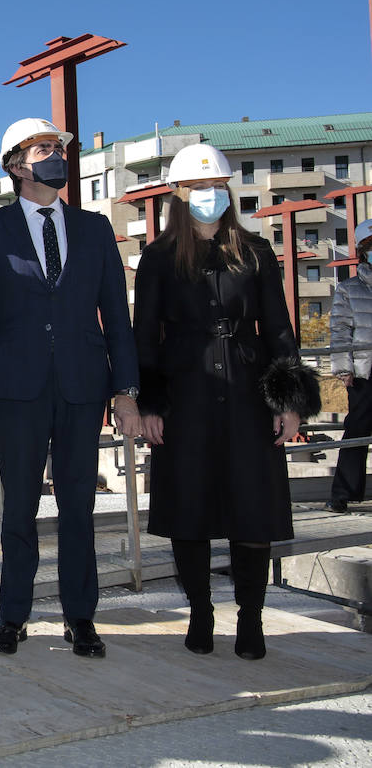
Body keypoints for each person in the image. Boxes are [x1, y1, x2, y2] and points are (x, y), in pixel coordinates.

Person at [0, 118, 141, 659]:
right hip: (15, 387)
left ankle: (80, 617)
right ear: (16, 165)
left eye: (59, 148)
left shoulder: (93, 228)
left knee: (78, 506)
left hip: (84, 384)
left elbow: (116, 313)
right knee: (18, 507)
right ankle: (12, 616)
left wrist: (126, 388)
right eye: (44, 149)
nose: (56, 155)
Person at [134, 143, 319, 660]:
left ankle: (251, 617)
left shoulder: (256, 251)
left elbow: (280, 330)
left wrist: (289, 401)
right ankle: (199, 612)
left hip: (247, 388)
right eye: (197, 187)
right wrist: (148, 403)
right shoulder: (159, 257)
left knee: (251, 507)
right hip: (184, 391)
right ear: (178, 194)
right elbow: (144, 334)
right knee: (188, 505)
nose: (208, 195)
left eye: (215, 185)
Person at [328, 218, 372, 513]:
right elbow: (340, 330)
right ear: (363, 251)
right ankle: (342, 493)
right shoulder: (348, 289)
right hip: (365, 370)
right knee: (357, 429)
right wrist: (344, 368)